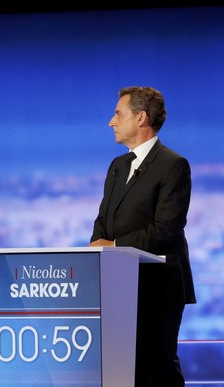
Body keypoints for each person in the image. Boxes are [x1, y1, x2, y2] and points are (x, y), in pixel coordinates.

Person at [89, 86, 194, 386]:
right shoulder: (117, 166)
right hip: (117, 285)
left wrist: (114, 246)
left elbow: (167, 228)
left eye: (118, 114)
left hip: (158, 285)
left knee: (157, 368)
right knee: (123, 372)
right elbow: (103, 220)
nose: (111, 121)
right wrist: (98, 245)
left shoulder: (172, 165)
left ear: (141, 118)